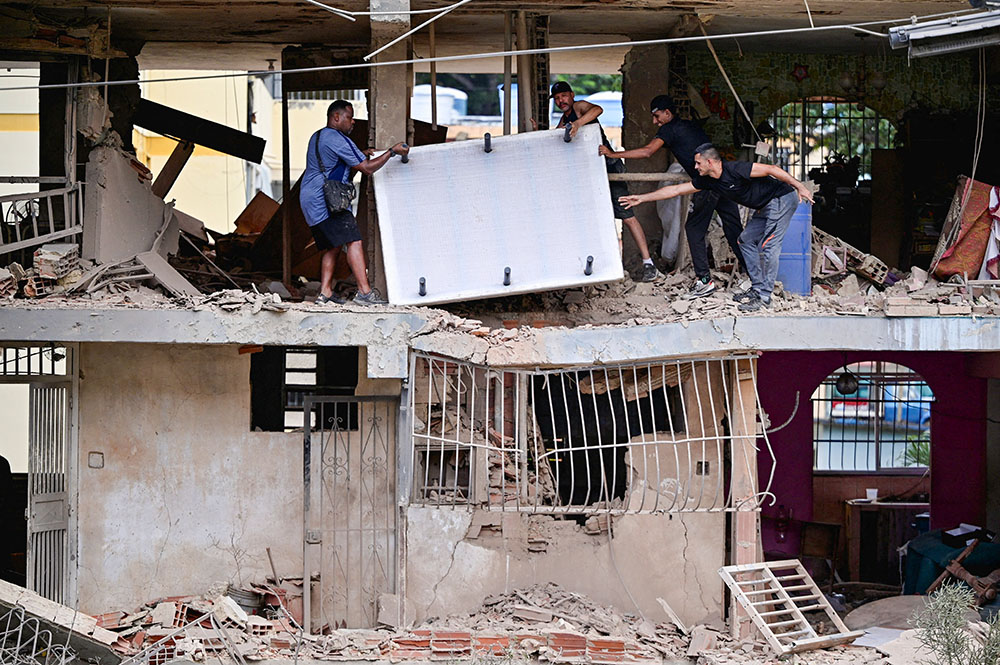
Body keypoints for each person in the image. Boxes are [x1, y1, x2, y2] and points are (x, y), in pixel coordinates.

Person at [619, 143, 813, 312]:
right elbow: (676, 189)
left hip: (781, 199)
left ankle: (764, 297)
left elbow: (771, 169)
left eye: (698, 163)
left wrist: (800, 187)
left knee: (770, 245)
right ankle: (757, 288)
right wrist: (642, 198)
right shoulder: (708, 181)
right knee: (745, 240)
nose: (695, 167)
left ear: (710, 162)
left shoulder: (735, 169)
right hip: (765, 205)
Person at [600, 94, 745, 299]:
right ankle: (753, 277)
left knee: (693, 230)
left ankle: (704, 282)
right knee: (734, 229)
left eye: (657, 116)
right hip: (722, 178)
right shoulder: (689, 126)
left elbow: (648, 151)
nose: (655, 121)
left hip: (707, 184)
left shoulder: (669, 129)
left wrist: (613, 154)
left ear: (667, 113)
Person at [300, 100, 409, 305]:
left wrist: (365, 153)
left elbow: (336, 161)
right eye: (349, 117)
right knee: (354, 240)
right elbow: (367, 168)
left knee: (333, 246)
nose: (353, 122)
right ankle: (365, 293)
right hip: (328, 200)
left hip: (310, 199)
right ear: (336, 117)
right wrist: (392, 152)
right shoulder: (338, 139)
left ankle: (325, 293)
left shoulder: (318, 136)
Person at [550, 81, 659, 282]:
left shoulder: (579, 108)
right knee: (591, 218)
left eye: (563, 96)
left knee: (627, 216)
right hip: (589, 174)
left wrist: (578, 124)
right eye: (557, 98)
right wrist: (538, 131)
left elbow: (598, 110)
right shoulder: (564, 120)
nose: (561, 101)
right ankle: (597, 264)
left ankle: (648, 263)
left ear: (572, 95)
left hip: (609, 168)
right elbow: (554, 140)